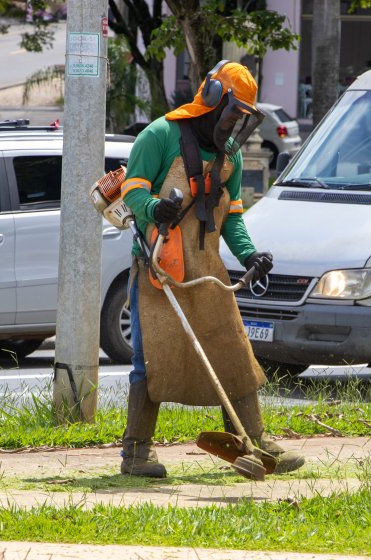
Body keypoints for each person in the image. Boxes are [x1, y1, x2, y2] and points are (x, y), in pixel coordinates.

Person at [118, 60, 305, 478]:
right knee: (152, 361)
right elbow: (132, 189)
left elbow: (231, 217)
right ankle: (136, 454)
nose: (236, 123)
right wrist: (152, 206)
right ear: (214, 99)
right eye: (234, 112)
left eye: (244, 117)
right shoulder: (160, 135)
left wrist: (250, 254)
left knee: (234, 351)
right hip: (159, 270)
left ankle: (253, 443)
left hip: (207, 268)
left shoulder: (230, 156)